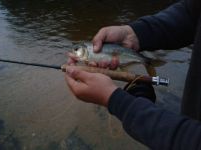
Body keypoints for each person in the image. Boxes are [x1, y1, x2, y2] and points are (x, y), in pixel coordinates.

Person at [65, 0, 201, 149]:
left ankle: (146, 62)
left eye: (76, 50)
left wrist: (117, 101)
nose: (74, 52)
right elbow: (192, 12)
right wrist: (133, 33)